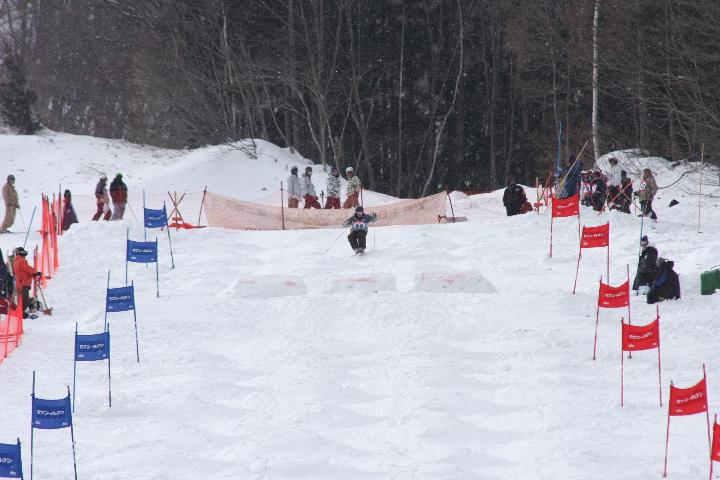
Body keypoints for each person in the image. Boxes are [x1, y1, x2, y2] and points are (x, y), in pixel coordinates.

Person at [12, 247, 40, 319]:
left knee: (22, 299)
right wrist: (35, 272)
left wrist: (33, 274)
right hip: (23, 283)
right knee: (24, 300)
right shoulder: (21, 260)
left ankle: (22, 312)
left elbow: (24, 272)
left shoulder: (17, 260)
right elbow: (27, 268)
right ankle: (21, 313)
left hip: (21, 283)